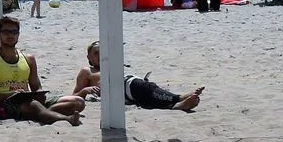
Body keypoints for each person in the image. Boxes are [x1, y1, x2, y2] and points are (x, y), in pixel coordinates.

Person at [0, 18, 83, 125]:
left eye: (14, 32)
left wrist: (38, 94)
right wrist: (11, 94)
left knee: (78, 102)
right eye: (6, 32)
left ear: (18, 35)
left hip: (28, 99)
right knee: (34, 105)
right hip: (5, 104)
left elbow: (36, 87)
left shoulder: (29, 59)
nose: (11, 35)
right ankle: (66, 119)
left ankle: (45, 113)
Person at [71, 41, 202, 111]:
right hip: (122, 88)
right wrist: (85, 90)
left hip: (128, 87)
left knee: (146, 96)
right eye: (96, 53)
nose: (100, 56)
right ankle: (178, 99)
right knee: (144, 89)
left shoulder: (112, 65)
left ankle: (177, 104)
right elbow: (73, 97)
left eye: (103, 52)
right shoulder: (87, 71)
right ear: (89, 57)